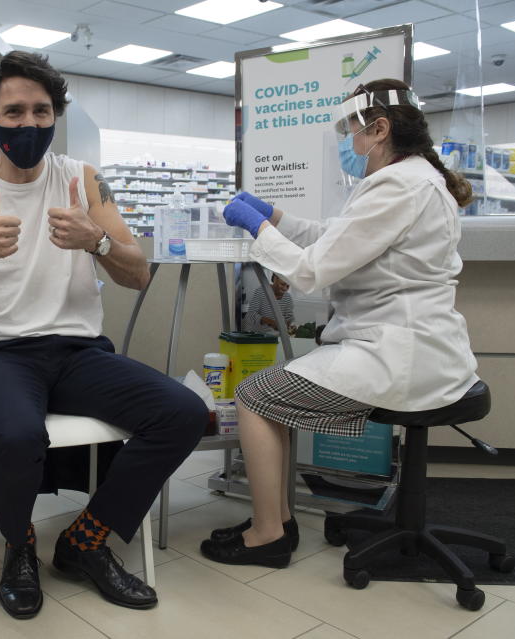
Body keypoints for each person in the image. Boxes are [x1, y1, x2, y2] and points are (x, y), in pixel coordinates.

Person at [0, 51, 206, 618]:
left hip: (77, 352)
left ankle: (85, 540)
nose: (29, 124)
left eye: (42, 111)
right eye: (15, 111)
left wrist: (95, 240)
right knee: (17, 435)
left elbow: (138, 271)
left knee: (184, 413)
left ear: (57, 116)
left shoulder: (81, 180)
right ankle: (20, 546)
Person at [201, 79, 478, 568]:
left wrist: (255, 227)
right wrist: (274, 215)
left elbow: (311, 270)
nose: (348, 142)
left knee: (254, 395)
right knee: (274, 393)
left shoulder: (398, 185)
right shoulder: (413, 179)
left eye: (352, 130)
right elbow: (333, 237)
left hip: (398, 355)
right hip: (418, 347)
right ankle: (278, 518)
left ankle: (269, 535)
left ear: (380, 129)